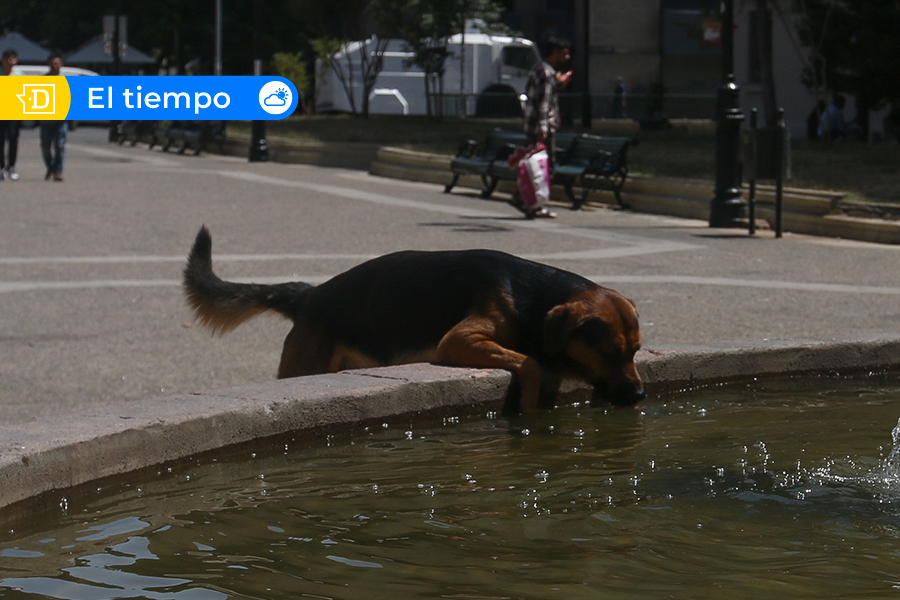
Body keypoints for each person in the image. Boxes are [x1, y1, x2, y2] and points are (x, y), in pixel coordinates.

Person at [521, 37, 572, 219]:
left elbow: (539, 96)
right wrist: (543, 129)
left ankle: (529, 202)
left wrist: (558, 86)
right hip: (540, 128)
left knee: (535, 166)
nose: (567, 57)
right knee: (543, 168)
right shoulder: (547, 73)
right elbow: (543, 104)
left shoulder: (538, 69)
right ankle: (534, 204)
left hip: (531, 126)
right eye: (564, 52)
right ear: (554, 52)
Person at [40, 53, 67, 181]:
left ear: (61, 65)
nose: (54, 65)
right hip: (46, 119)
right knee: (46, 147)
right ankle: (50, 167)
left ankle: (57, 171)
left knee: (60, 146)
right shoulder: (43, 80)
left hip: (61, 120)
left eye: (57, 63)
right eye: (52, 63)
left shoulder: (65, 80)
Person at [1, 49, 21, 181]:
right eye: (7, 59)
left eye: (12, 59)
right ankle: (2, 167)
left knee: (13, 140)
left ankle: (11, 167)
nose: (10, 61)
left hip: (14, 112)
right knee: (0, 141)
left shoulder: (19, 75)